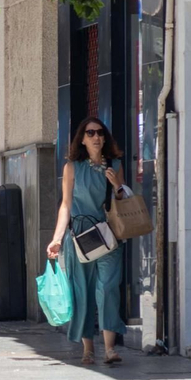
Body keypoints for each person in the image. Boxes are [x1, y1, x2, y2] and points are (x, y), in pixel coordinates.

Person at [48, 116, 127, 366]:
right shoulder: (72, 168)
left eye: (100, 133)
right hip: (80, 236)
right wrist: (57, 238)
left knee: (108, 288)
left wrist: (117, 186)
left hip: (107, 234)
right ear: (82, 139)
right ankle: (88, 350)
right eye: (90, 133)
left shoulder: (114, 164)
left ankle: (110, 349)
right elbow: (66, 204)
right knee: (82, 292)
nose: (96, 137)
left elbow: (123, 203)